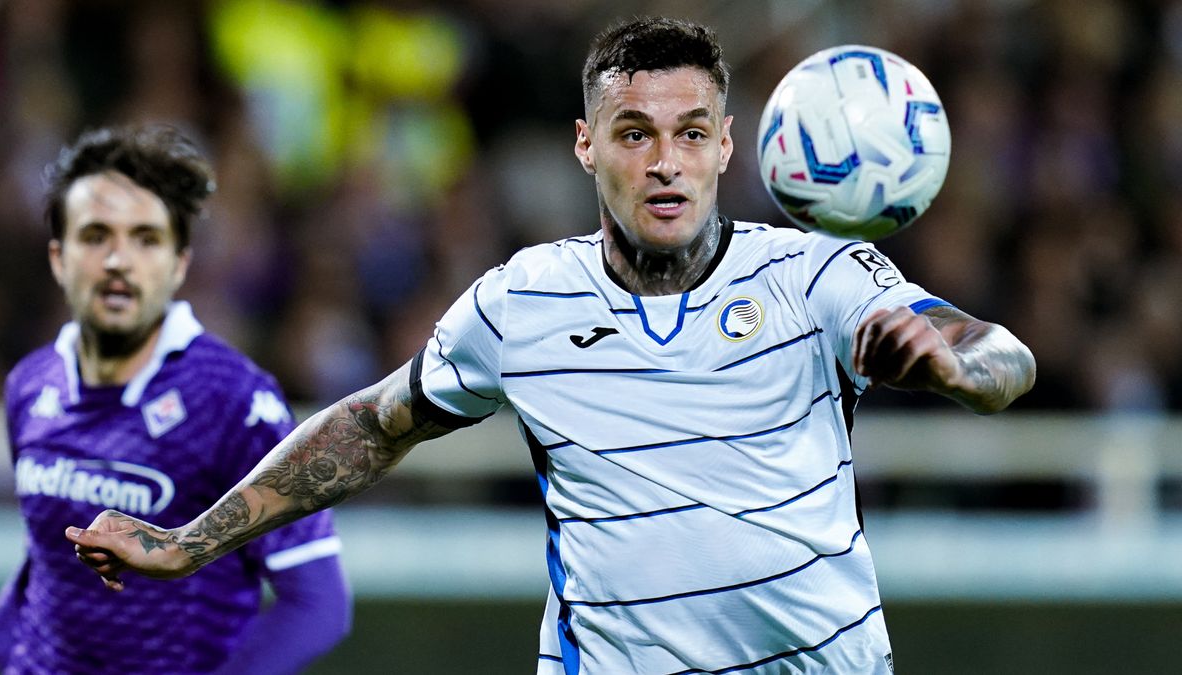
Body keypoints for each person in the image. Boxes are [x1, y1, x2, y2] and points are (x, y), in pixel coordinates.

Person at [68, 19, 1035, 674]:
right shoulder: (521, 302)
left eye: (691, 133)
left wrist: (957, 365)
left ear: (730, 145)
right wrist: (190, 541)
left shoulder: (816, 275)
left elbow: (1001, 356)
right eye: (634, 132)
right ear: (585, 144)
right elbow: (369, 425)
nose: (665, 161)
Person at [0, 125, 351, 674]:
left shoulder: (233, 402)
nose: (118, 260)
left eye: (146, 238)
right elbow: (44, 571)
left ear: (180, 263)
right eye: (95, 235)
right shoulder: (30, 385)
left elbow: (317, 603)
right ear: (58, 258)